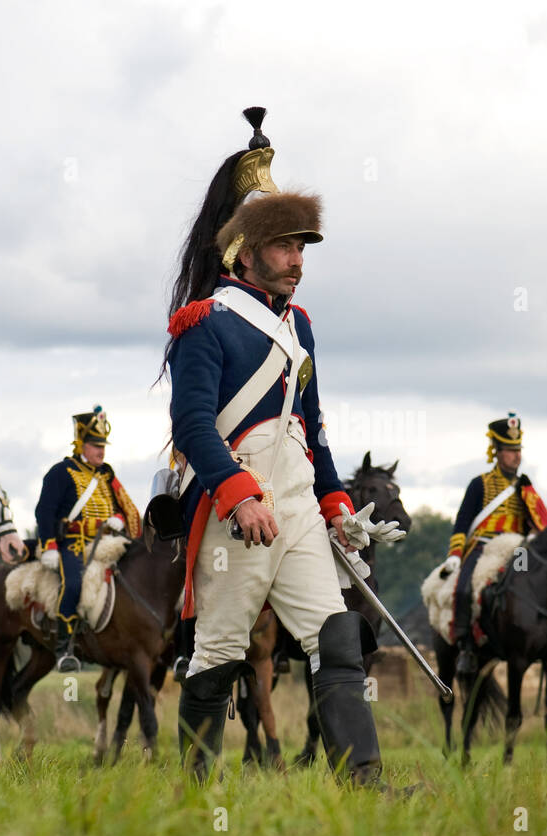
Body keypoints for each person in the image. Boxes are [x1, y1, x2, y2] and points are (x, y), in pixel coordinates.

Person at [162, 107, 401, 783]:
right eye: (285, 247)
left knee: (337, 641)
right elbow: (195, 427)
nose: (298, 262)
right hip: (239, 512)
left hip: (297, 507)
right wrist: (238, 496)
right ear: (246, 250)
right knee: (219, 649)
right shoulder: (203, 325)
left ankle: (364, 787)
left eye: (302, 248)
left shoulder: (301, 329)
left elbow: (312, 428)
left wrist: (336, 506)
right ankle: (192, 792)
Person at [439, 412, 547, 675]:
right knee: (465, 590)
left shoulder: (526, 490)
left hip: (517, 551)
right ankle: (466, 647)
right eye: (511, 450)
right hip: (483, 547)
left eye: (518, 450)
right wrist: (455, 554)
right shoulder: (479, 484)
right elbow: (462, 523)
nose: (516, 455)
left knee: (541, 586)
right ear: (496, 452)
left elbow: (534, 525)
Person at [34, 406, 141, 672]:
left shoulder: (107, 474)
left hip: (111, 542)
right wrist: (48, 546)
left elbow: (122, 505)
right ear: (81, 444)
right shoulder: (61, 472)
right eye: (95, 445)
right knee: (73, 584)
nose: (101, 450)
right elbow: (44, 512)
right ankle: (65, 649)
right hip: (75, 543)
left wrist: (118, 518)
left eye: (103, 445)